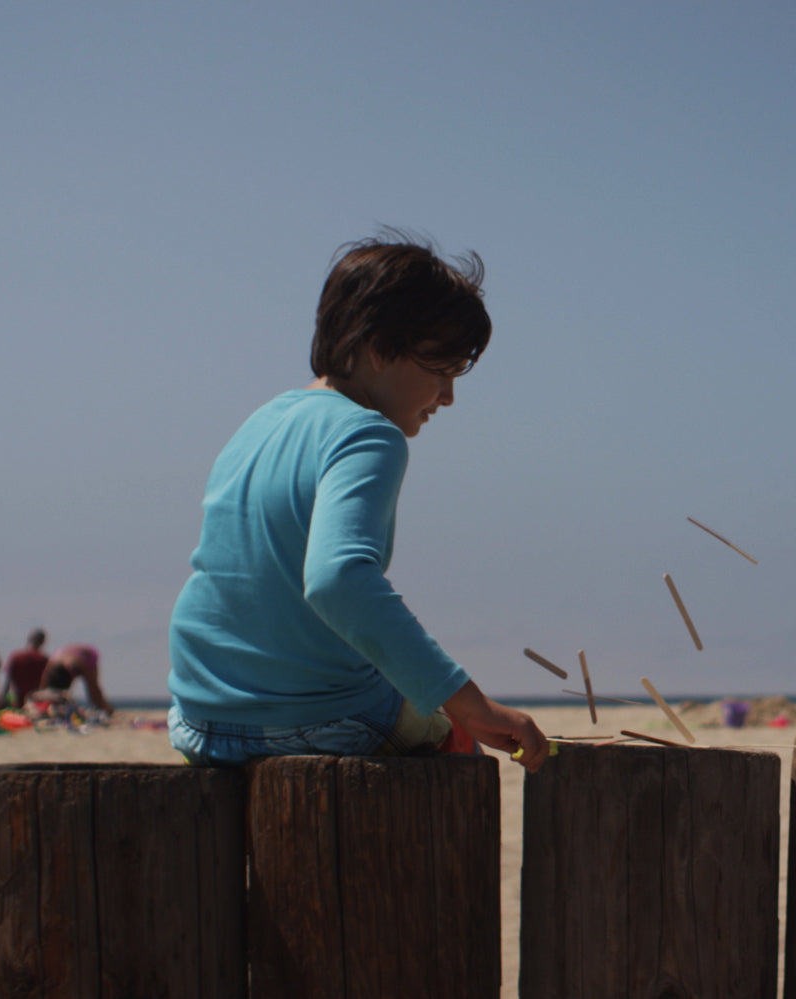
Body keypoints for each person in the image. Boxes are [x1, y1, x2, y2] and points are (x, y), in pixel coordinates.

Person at [166, 231, 548, 771]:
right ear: (380, 349)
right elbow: (338, 579)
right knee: (454, 745)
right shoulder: (368, 435)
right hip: (321, 715)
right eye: (441, 370)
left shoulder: (262, 422)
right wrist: (471, 706)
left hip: (198, 719)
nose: (448, 396)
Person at [42, 642, 114, 715]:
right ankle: (104, 708)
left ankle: (104, 708)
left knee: (93, 688)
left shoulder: (54, 662)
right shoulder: (54, 662)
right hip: (70, 658)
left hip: (85, 657)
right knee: (93, 688)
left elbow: (94, 689)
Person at [2, 628, 50, 708]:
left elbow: (7, 684)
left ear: (29, 639)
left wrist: (2, 701)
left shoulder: (16, 657)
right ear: (43, 642)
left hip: (17, 703)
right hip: (37, 704)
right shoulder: (44, 660)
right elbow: (46, 685)